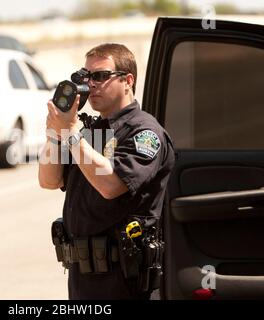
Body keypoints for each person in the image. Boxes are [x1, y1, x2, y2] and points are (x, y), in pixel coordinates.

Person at [38, 43, 175, 300]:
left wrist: (70, 133)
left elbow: (110, 185)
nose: (91, 84)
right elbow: (49, 180)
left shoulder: (144, 132)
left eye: (101, 76)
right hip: (83, 276)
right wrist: (55, 133)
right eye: (87, 76)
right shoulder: (91, 132)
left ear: (128, 80)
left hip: (124, 278)